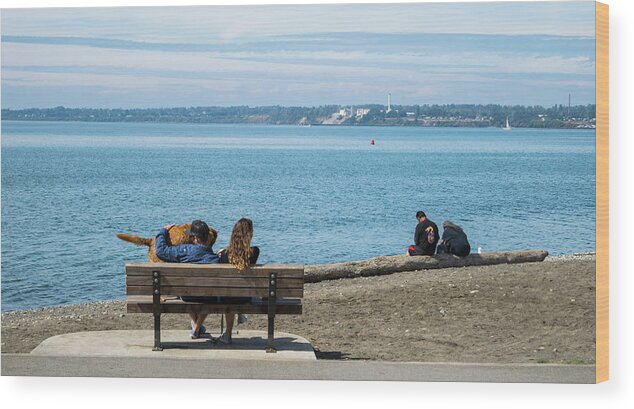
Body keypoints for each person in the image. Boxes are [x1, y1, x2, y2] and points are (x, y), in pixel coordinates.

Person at [155, 219, 219, 339]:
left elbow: (160, 251)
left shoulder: (183, 251)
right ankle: (197, 327)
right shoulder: (214, 258)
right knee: (211, 295)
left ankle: (196, 326)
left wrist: (163, 231)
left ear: (194, 238)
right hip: (207, 296)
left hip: (186, 295)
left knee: (184, 289)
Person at [215, 218, 260, 344]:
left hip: (227, 296)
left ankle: (228, 334)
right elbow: (243, 256)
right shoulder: (255, 252)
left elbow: (232, 254)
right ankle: (240, 313)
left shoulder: (224, 254)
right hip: (245, 296)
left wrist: (222, 252)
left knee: (230, 295)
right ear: (249, 234)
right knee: (239, 290)